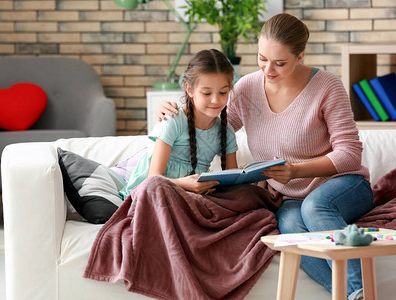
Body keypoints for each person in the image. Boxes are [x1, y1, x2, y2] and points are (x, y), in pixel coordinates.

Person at [157, 13, 373, 300]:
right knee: (290, 229)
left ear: (300, 56)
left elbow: (350, 155)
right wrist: (173, 113)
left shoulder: (327, 87)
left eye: (279, 63)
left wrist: (296, 171)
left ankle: (363, 292)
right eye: (262, 59)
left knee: (313, 209)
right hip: (290, 196)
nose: (268, 70)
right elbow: (214, 128)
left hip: (344, 185)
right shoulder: (247, 89)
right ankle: (350, 295)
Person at [119, 48, 239, 199]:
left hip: (191, 196)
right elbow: (153, 179)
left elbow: (234, 181)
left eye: (223, 92)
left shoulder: (226, 132)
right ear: (189, 89)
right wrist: (184, 184)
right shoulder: (174, 121)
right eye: (207, 93)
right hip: (155, 193)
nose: (215, 100)